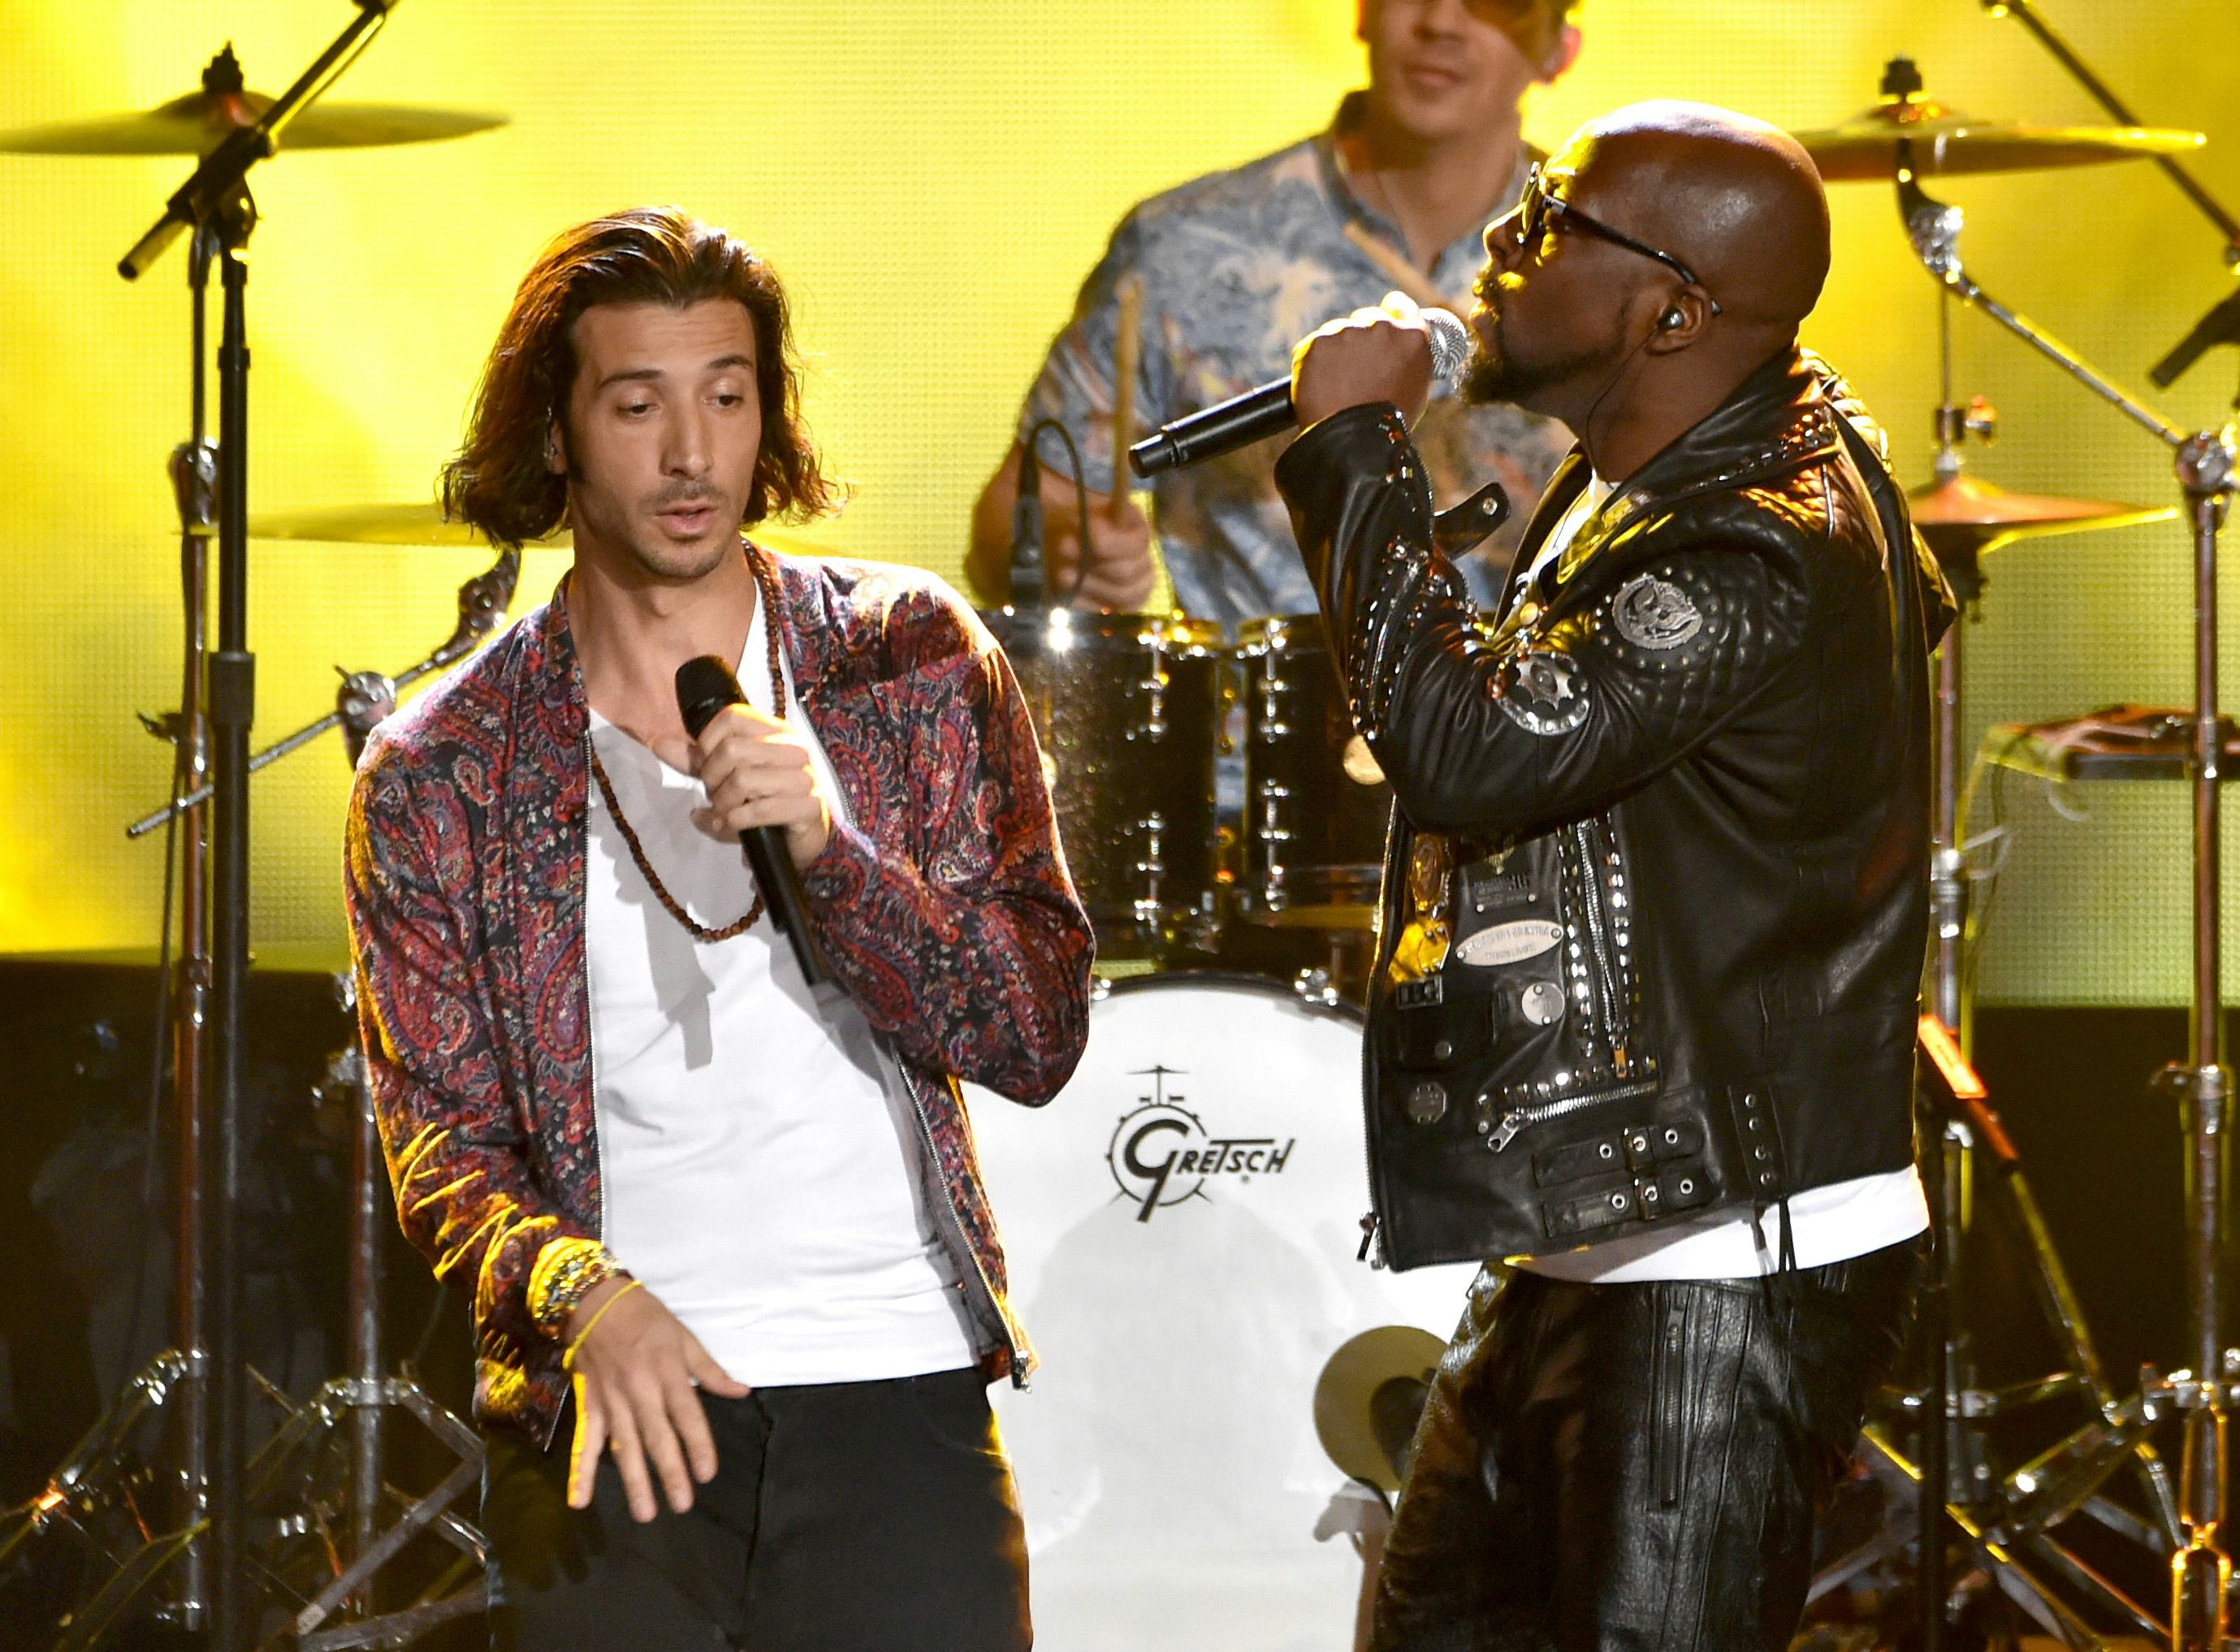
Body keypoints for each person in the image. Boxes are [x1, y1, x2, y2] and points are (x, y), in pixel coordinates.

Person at [343, 207, 1093, 1652]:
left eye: (728, 396)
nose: (692, 454)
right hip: (616, 1407)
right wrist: (583, 1298)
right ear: (556, 433)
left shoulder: (906, 657)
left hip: (894, 1383)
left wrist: (833, 854)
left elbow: (1036, 1029)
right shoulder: (445, 766)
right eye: (639, 405)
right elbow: (440, 1145)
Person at [1274, 102, 1952, 1649]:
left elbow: (1469, 751)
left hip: (1722, 1249)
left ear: (1672, 311)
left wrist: (1353, 445)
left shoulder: (1760, 539)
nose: (1499, 244)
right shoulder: (1657, 472)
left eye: (1546, 221)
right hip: (1596, 1217)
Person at [962, 0, 1585, 621]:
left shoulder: (1599, 260)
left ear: (1561, 49)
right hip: (1242, 684)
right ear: (1363, 11)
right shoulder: (1184, 245)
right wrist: (1061, 552)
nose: (1440, 22)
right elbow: (1010, 535)